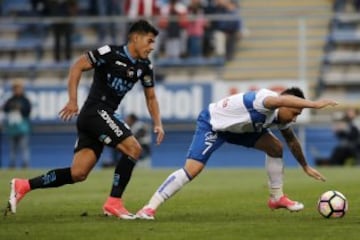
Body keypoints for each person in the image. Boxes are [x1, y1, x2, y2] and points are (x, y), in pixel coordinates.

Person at [6, 20, 165, 220]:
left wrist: (158, 123)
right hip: (95, 111)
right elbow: (77, 66)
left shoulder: (145, 66)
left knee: (78, 173)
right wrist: (73, 100)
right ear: (135, 37)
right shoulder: (110, 53)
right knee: (134, 148)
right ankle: (114, 202)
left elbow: (151, 97)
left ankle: (24, 185)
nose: (152, 47)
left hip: (100, 116)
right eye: (149, 41)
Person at [136, 87, 338, 220]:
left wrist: (305, 166)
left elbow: (292, 140)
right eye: (295, 113)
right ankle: (149, 208)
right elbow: (279, 99)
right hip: (214, 125)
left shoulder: (282, 117)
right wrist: (315, 104)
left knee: (276, 147)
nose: (294, 119)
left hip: (242, 130)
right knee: (193, 169)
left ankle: (277, 198)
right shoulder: (264, 100)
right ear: (285, 104)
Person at [2, 80, 32, 169]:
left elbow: (27, 111)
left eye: (19, 88)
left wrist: (20, 109)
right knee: (12, 148)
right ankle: (12, 163)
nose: (17, 90)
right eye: (16, 89)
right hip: (12, 128)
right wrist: (12, 107)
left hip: (23, 127)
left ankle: (25, 163)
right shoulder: (10, 100)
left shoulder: (25, 100)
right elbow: (5, 109)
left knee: (24, 147)